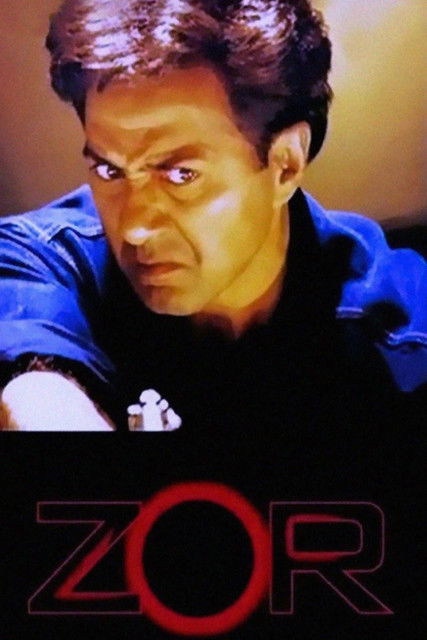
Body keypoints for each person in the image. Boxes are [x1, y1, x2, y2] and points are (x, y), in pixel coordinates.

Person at [0, 0, 425, 431]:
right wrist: (42, 400)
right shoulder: (50, 257)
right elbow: (21, 321)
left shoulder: (404, 342)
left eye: (181, 175)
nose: (135, 227)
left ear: (285, 164)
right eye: (110, 171)